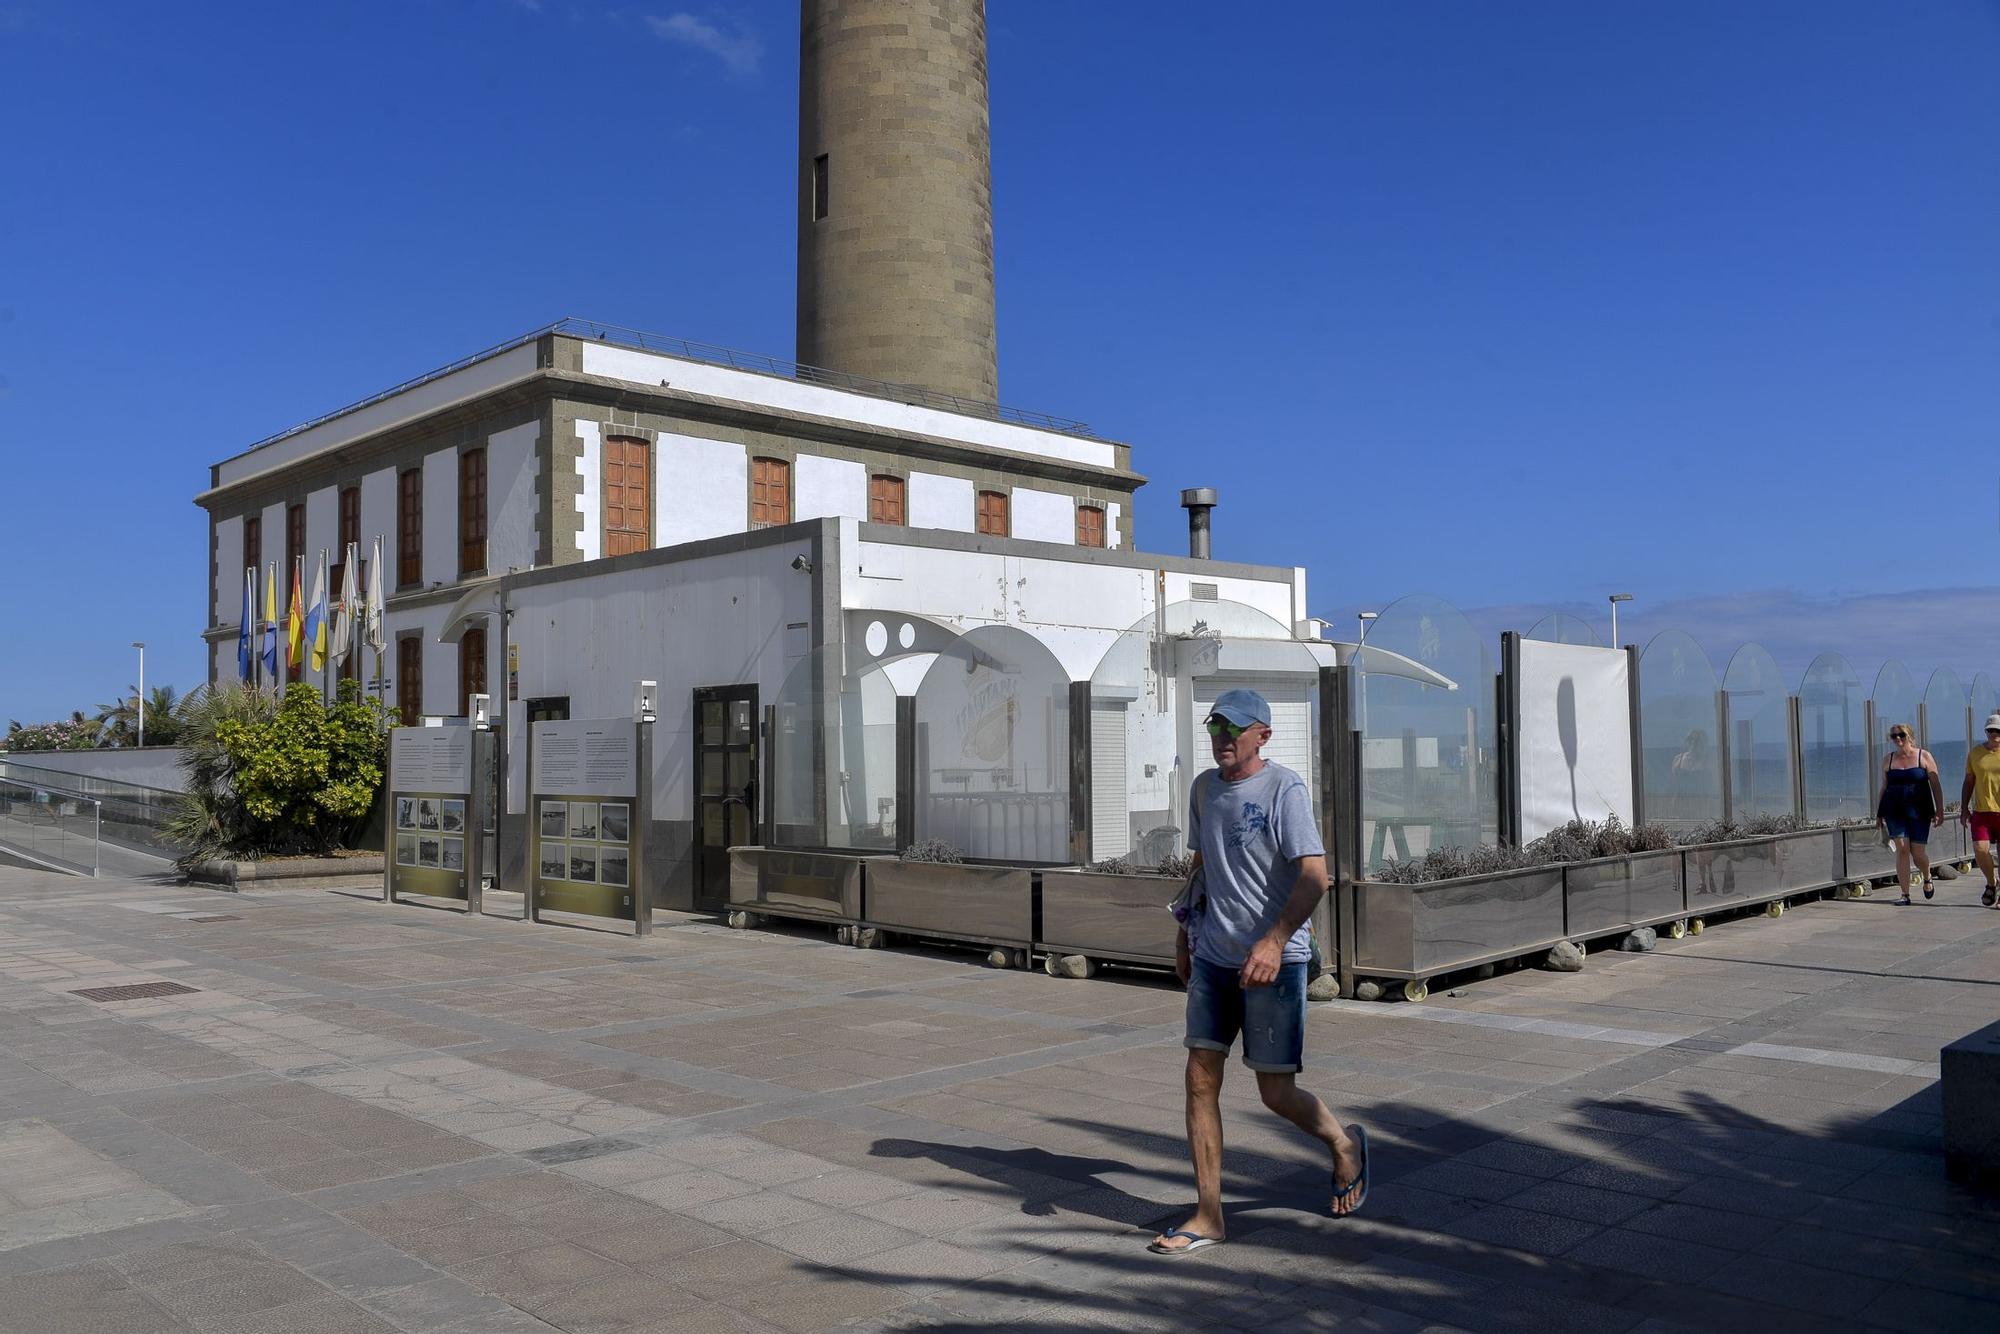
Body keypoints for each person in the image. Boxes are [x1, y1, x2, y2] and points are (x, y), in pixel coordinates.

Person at [1148, 688, 1367, 1257]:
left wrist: (1274, 941)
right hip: (1216, 958)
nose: (1222, 738)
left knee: (1275, 1092)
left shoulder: (1284, 788)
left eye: (1234, 729)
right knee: (1200, 1075)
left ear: (1262, 735)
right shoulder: (1202, 789)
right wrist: (1183, 934)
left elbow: (1315, 876)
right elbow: (1201, 866)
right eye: (1216, 727)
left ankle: (1344, 1144)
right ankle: (1209, 1214)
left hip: (1276, 962)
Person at [1876, 723, 1942, 905]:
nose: (1898, 739)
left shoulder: (1924, 756)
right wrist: (1879, 813)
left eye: (1901, 735)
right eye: (1894, 736)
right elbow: (1884, 786)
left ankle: (1927, 875)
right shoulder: (1887, 760)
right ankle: (1905, 894)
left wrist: (1940, 809)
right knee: (1902, 849)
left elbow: (1935, 784)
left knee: (1918, 852)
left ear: (1909, 736)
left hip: (1919, 809)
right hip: (1894, 809)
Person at [1962, 712, 2000, 908]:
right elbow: (1969, 781)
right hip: (1982, 812)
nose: (1995, 734)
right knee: (1980, 849)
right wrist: (1963, 808)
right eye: (1991, 730)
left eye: (1998, 730)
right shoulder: (1975, 753)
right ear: (1986, 732)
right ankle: (1991, 883)